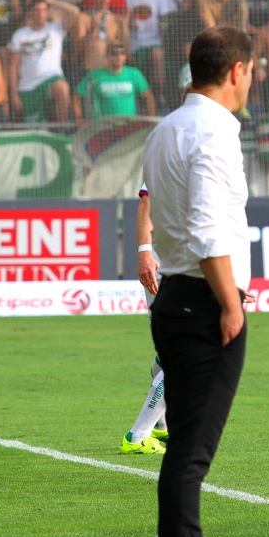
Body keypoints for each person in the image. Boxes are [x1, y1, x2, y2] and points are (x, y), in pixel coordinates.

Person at [142, 25, 255, 537]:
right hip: (206, 305)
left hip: (176, 298)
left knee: (184, 447)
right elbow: (211, 231)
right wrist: (231, 301)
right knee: (191, 453)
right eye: (250, 70)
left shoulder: (166, 129)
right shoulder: (213, 133)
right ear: (236, 70)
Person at [120, 183, 168, 456]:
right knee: (185, 353)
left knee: (167, 351)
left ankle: (161, 423)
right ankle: (138, 435)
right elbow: (146, 204)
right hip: (178, 268)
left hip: (169, 265)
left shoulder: (167, 146)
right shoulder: (180, 149)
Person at [8, 0, 81, 123]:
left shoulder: (55, 28)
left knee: (62, 89)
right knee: (33, 126)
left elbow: (74, 12)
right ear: (29, 12)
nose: (41, 14)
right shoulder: (20, 34)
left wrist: (53, 2)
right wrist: (14, 95)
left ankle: (62, 131)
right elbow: (13, 66)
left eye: (44, 10)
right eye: (37, 10)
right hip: (28, 86)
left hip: (51, 78)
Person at [73, 43, 156, 121]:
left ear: (126, 56)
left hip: (129, 125)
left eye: (122, 53)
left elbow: (148, 97)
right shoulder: (95, 75)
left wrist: (150, 119)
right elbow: (77, 95)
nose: (118, 56)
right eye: (114, 53)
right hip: (102, 126)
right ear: (107, 56)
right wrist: (78, 117)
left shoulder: (134, 74)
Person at [126, 0, 177, 104]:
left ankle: (160, 95)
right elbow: (122, 22)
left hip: (155, 42)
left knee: (157, 55)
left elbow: (166, 21)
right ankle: (140, 98)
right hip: (135, 44)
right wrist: (128, 24)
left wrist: (163, 26)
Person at [80, 0, 130, 73]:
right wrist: (92, 31)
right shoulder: (83, 17)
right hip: (90, 70)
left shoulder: (116, 20)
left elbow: (125, 48)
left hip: (110, 70)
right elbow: (78, 49)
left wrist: (124, 26)